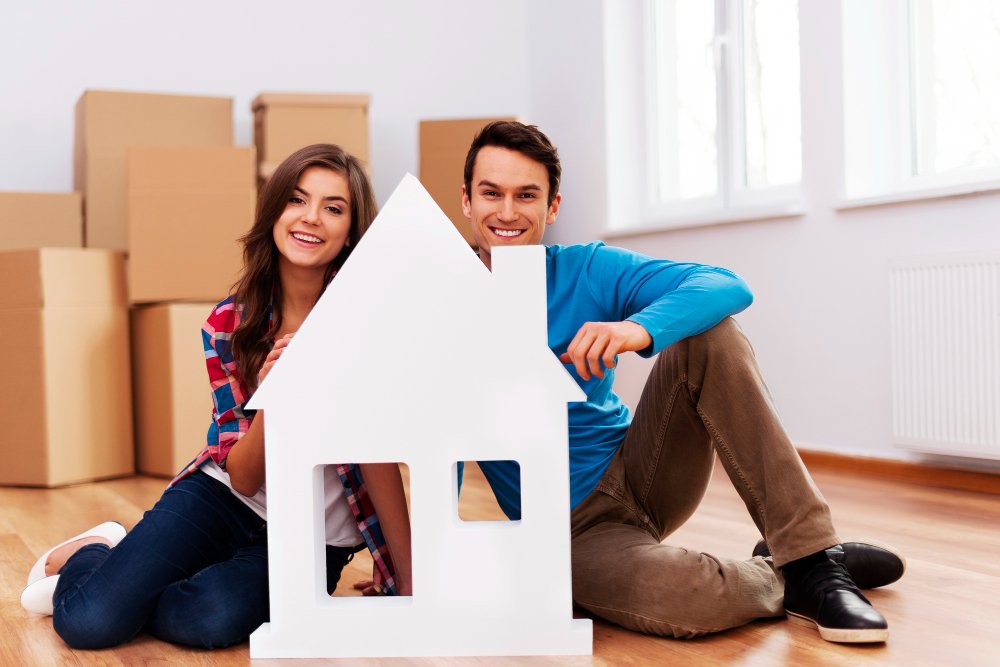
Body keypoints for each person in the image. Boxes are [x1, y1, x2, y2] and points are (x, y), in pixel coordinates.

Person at [460, 121, 905, 644]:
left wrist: (637, 328)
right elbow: (432, 437)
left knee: (709, 333)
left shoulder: (588, 269)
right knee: (692, 601)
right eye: (492, 193)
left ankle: (807, 552)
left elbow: (724, 284)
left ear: (553, 206)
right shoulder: (447, 303)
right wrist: (412, 566)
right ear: (466, 200)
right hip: (572, 531)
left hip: (643, 470)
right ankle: (799, 566)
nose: (508, 212)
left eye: (526, 195)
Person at [20, 144, 412, 649]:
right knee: (88, 622)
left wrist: (406, 580)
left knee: (206, 619)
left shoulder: (365, 323)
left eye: (333, 208)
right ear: (274, 212)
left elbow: (376, 461)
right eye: (297, 200)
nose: (311, 218)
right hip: (222, 496)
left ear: (351, 231)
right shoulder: (230, 324)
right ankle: (98, 548)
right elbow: (245, 478)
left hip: (312, 537)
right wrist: (279, 395)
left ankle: (129, 578)